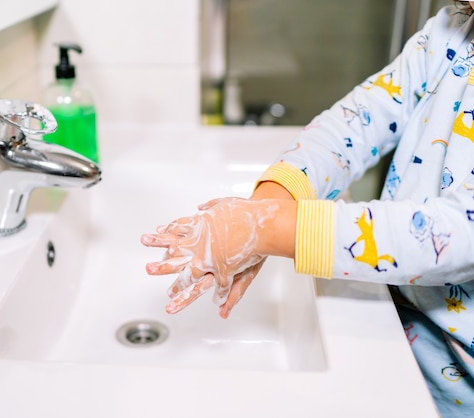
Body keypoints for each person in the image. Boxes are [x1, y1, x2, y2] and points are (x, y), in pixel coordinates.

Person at [141, 2, 474, 416]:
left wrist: (270, 229)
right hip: (402, 336)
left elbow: (460, 234)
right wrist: (269, 204)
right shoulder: (455, 29)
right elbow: (359, 119)